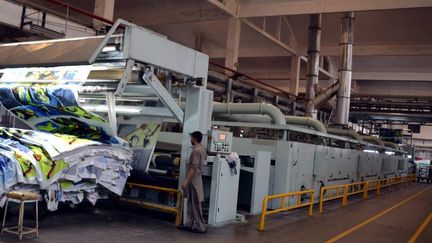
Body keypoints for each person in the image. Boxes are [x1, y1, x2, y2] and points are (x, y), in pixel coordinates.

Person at [181, 131, 207, 233]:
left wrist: (186, 182)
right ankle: (189, 224)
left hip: (193, 181)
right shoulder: (202, 148)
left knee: (195, 204)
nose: (190, 140)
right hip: (197, 179)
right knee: (191, 204)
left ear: (194, 138)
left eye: (191, 138)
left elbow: (193, 168)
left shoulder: (196, 151)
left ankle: (201, 227)